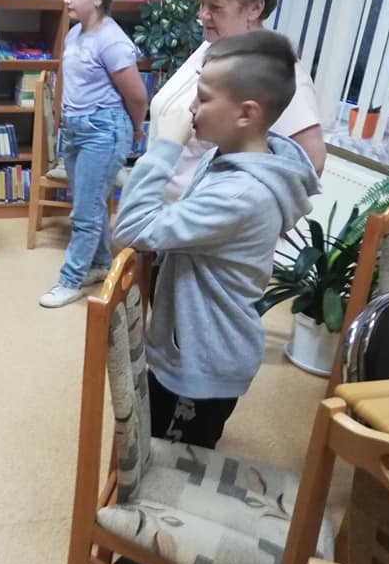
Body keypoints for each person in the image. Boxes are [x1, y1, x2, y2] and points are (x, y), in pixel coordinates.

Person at [112, 30, 321, 449]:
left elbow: (131, 229)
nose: (191, 107)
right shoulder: (229, 157)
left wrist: (164, 148)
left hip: (200, 362)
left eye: (204, 97)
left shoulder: (241, 194)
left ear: (246, 114)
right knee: (157, 441)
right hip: (191, 346)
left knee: (170, 462)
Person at [151, 0, 326, 204]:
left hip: (201, 223)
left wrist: (236, 214)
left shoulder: (275, 73)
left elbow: (312, 163)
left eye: (215, 7)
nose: (202, 15)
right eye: (202, 4)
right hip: (164, 214)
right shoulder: (215, 45)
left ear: (255, 8)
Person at [39, 0, 148, 308]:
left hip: (103, 131)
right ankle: (100, 263)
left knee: (84, 214)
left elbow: (137, 96)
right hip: (76, 131)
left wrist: (135, 129)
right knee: (91, 205)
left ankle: (69, 281)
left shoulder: (112, 41)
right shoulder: (75, 34)